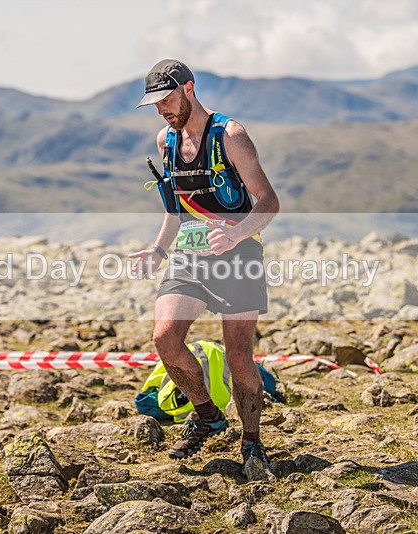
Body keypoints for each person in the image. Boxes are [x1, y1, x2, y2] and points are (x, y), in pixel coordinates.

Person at [129, 59, 280, 479]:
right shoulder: (166, 141)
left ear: (189, 88)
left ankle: (252, 443)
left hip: (238, 256)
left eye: (167, 99)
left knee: (238, 354)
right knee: (164, 337)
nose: (162, 109)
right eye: (155, 103)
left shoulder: (230, 135)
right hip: (190, 257)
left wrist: (236, 234)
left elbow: (268, 202)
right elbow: (176, 212)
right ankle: (208, 416)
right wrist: (158, 251)